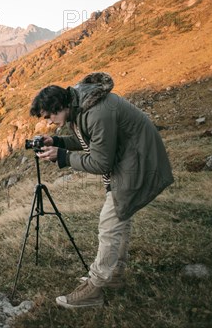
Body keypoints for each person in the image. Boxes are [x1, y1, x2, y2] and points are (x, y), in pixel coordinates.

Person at [29, 72, 174, 308]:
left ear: (58, 106)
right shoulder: (80, 105)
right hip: (129, 158)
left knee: (110, 223)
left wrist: (63, 156)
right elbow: (92, 140)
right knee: (120, 218)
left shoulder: (96, 112)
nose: (48, 121)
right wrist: (58, 142)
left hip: (138, 161)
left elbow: (100, 162)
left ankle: (94, 290)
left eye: (48, 116)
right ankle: (114, 275)